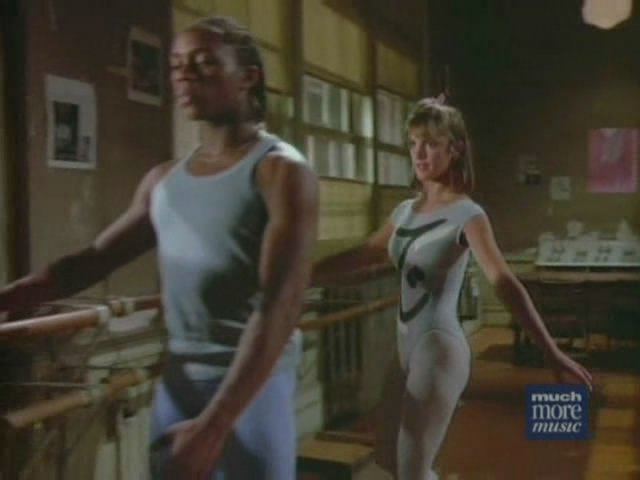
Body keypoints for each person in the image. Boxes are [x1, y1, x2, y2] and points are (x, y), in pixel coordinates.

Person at [0, 15, 318, 480]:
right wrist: (10, 297)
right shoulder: (163, 180)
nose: (185, 75)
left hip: (253, 385)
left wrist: (214, 428)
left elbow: (280, 306)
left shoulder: (280, 171)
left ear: (248, 76)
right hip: (181, 377)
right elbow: (92, 261)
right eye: (176, 65)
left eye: (204, 63)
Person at [312, 95, 593, 480]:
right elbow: (366, 254)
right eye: (413, 143)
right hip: (404, 350)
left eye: (430, 143)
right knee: (390, 460)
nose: (419, 153)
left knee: (411, 470)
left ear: (455, 148)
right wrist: (302, 277)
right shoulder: (404, 212)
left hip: (439, 349)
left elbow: (504, 281)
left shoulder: (468, 214)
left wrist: (551, 350)